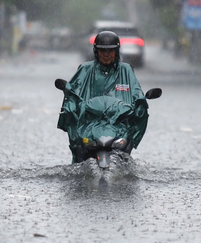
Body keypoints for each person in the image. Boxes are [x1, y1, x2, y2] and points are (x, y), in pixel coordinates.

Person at [57, 31, 150, 163]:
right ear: (96, 52)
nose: (107, 55)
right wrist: (71, 101)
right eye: (103, 51)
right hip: (88, 125)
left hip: (118, 125)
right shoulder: (85, 69)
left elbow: (136, 92)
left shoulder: (126, 70)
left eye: (110, 51)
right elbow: (74, 91)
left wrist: (140, 103)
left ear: (117, 52)